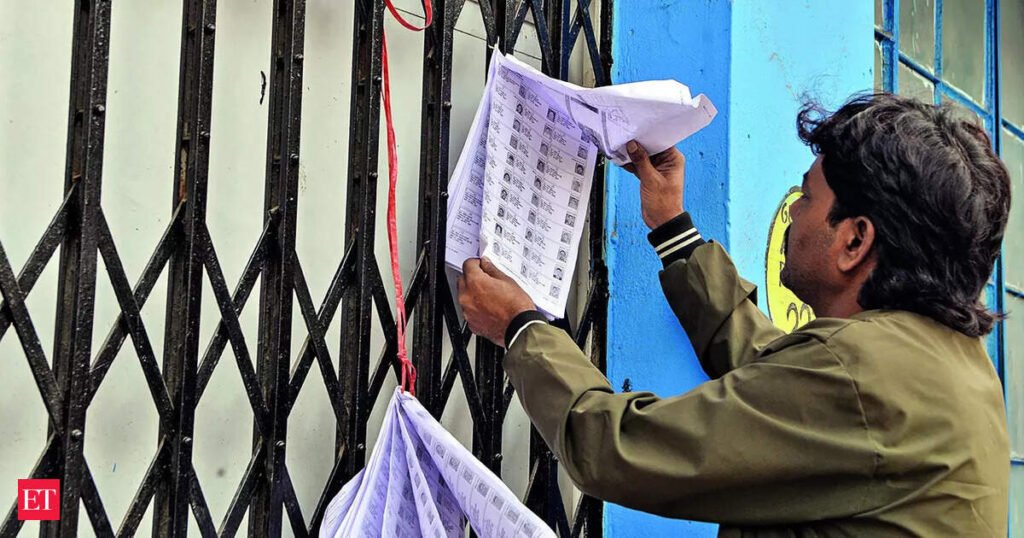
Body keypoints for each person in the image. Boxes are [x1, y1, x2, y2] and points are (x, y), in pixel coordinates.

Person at [456, 94, 1012, 536]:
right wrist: (672, 228)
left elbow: (617, 449)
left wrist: (521, 328)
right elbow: (773, 368)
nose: (793, 212)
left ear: (854, 242)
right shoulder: (948, 367)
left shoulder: (858, 376)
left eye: (806, 197)